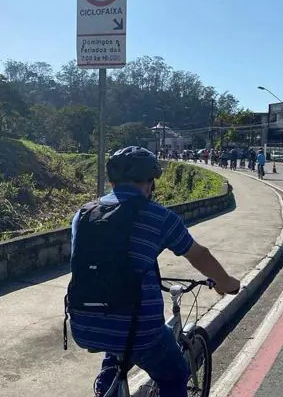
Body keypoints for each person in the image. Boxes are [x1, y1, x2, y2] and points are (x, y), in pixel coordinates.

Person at [67, 146, 241, 397]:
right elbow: (199, 255)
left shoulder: (83, 214)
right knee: (175, 375)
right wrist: (227, 283)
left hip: (83, 325)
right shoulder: (158, 216)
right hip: (139, 329)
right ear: (149, 183)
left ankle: (106, 384)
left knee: (114, 346)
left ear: (112, 180)